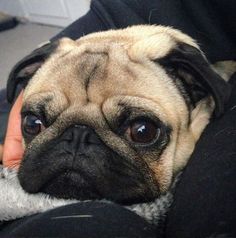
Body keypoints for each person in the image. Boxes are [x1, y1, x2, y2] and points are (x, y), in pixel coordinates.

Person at [0, 0, 235, 237]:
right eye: (36, 125)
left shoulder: (183, 73)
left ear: (196, 86)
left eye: (141, 131)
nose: (77, 147)